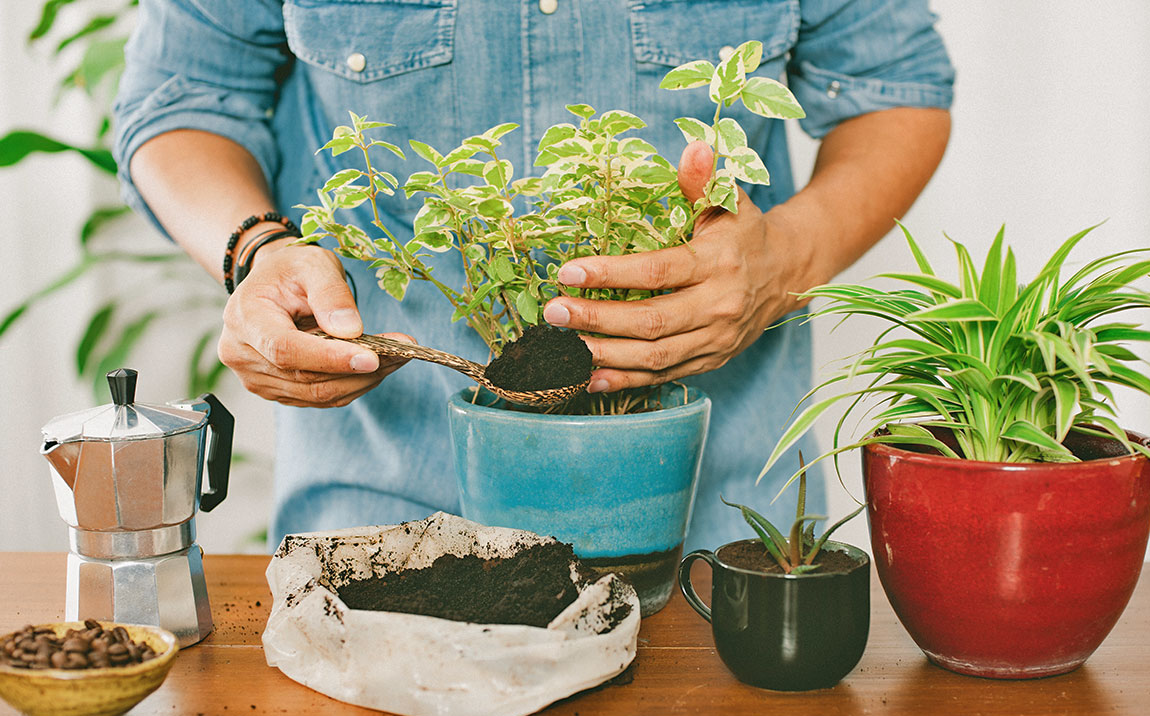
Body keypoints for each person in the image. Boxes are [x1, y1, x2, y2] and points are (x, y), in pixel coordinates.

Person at [113, 0, 954, 550]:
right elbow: (181, 97)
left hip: (718, 529)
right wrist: (258, 251)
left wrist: (787, 260)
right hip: (386, 524)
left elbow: (895, 87)